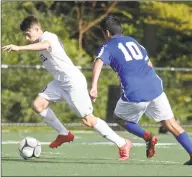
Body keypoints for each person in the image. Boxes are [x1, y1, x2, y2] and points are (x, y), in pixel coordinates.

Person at [2, 15, 132, 161]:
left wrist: (19, 48)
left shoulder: (48, 36)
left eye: (28, 34)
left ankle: (122, 143)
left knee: (88, 120)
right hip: (60, 82)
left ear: (37, 29)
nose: (26, 38)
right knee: (38, 105)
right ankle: (64, 134)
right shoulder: (39, 40)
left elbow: (45, 45)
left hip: (72, 82)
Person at [89, 14, 192, 165]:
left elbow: (99, 62)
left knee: (119, 118)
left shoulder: (107, 46)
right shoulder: (134, 42)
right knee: (171, 124)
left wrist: (93, 87)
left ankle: (148, 137)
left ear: (107, 33)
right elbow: (149, 64)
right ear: (121, 30)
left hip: (134, 91)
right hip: (155, 86)